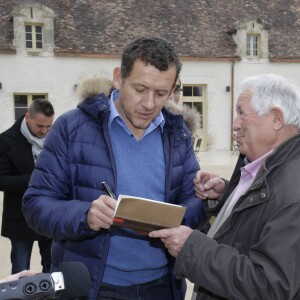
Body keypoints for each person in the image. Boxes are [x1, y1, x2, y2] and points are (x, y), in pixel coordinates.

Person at [22, 37, 208, 300]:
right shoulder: (71, 128)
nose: (149, 104)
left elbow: (194, 205)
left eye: (161, 93)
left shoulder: (178, 134)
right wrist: (85, 215)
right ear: (119, 78)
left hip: (163, 287)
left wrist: (200, 203)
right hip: (94, 288)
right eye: (140, 89)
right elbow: (35, 205)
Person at [150, 74, 300, 299]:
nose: (234, 125)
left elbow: (268, 286)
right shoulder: (261, 165)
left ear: (276, 119)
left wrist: (192, 247)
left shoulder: (292, 192)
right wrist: (225, 196)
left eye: (241, 113)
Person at [0, 98, 54, 274]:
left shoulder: (55, 138)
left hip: (50, 214)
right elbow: (2, 181)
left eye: (49, 126)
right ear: (28, 117)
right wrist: (35, 179)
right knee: (20, 271)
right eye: (40, 126)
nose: (45, 131)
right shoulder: (5, 140)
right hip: (20, 216)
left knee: (53, 268)